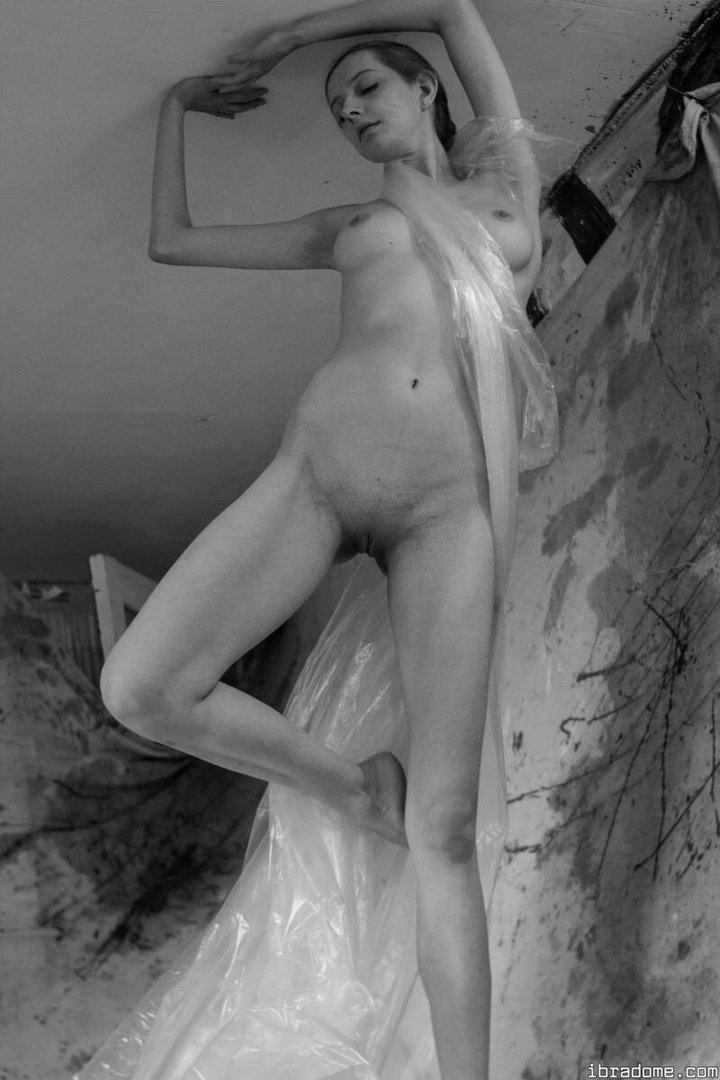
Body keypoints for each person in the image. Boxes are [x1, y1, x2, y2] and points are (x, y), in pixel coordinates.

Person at [97, 2, 558, 1077]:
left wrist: (293, 38)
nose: (349, 109)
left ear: (427, 88)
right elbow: (173, 239)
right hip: (319, 477)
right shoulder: (346, 225)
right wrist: (175, 108)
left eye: (365, 87)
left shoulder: (505, 195)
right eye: (337, 104)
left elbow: (452, 7)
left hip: (448, 512)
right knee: (141, 687)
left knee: (443, 831)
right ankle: (352, 787)